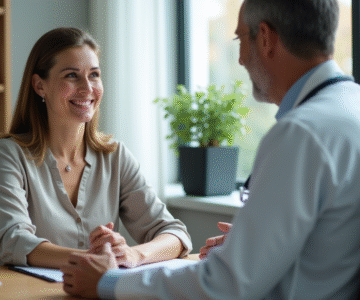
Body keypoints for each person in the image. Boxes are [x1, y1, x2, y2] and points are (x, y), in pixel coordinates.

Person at [60, 0, 360, 298]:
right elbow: (334, 250)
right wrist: (255, 246)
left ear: (266, 39)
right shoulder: (349, 109)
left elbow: (225, 285)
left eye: (241, 38)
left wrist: (108, 283)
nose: (240, 58)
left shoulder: (301, 133)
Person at [0, 27, 192, 269]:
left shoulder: (116, 156)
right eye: (72, 75)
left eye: (94, 75)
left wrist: (132, 255)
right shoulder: (9, 154)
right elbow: (14, 241)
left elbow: (174, 233)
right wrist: (95, 259)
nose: (87, 88)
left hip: (89, 290)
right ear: (40, 86)